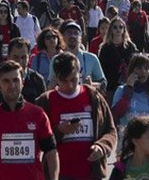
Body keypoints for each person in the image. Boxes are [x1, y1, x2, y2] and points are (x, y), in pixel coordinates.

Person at [35, 52, 117, 180]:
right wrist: (59, 131)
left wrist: (102, 146)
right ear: (56, 78)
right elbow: (36, 139)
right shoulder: (45, 101)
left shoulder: (94, 97)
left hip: (90, 173)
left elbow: (110, 130)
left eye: (73, 79)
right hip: (59, 174)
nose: (70, 85)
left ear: (79, 73)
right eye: (64, 81)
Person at [0, 60, 59, 180]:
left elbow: (51, 152)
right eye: (6, 81)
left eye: (16, 80)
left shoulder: (38, 115)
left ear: (23, 83)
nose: (12, 85)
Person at [0, 38, 48, 116]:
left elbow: (44, 111)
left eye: (23, 57)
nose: (19, 61)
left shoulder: (37, 80)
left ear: (29, 57)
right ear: (8, 57)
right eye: (16, 57)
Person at [100, 18, 139, 96]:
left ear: (124, 29)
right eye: (115, 27)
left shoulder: (130, 46)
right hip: (111, 86)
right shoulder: (105, 48)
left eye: (121, 27)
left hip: (128, 85)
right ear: (111, 29)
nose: (118, 29)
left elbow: (136, 64)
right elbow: (101, 68)